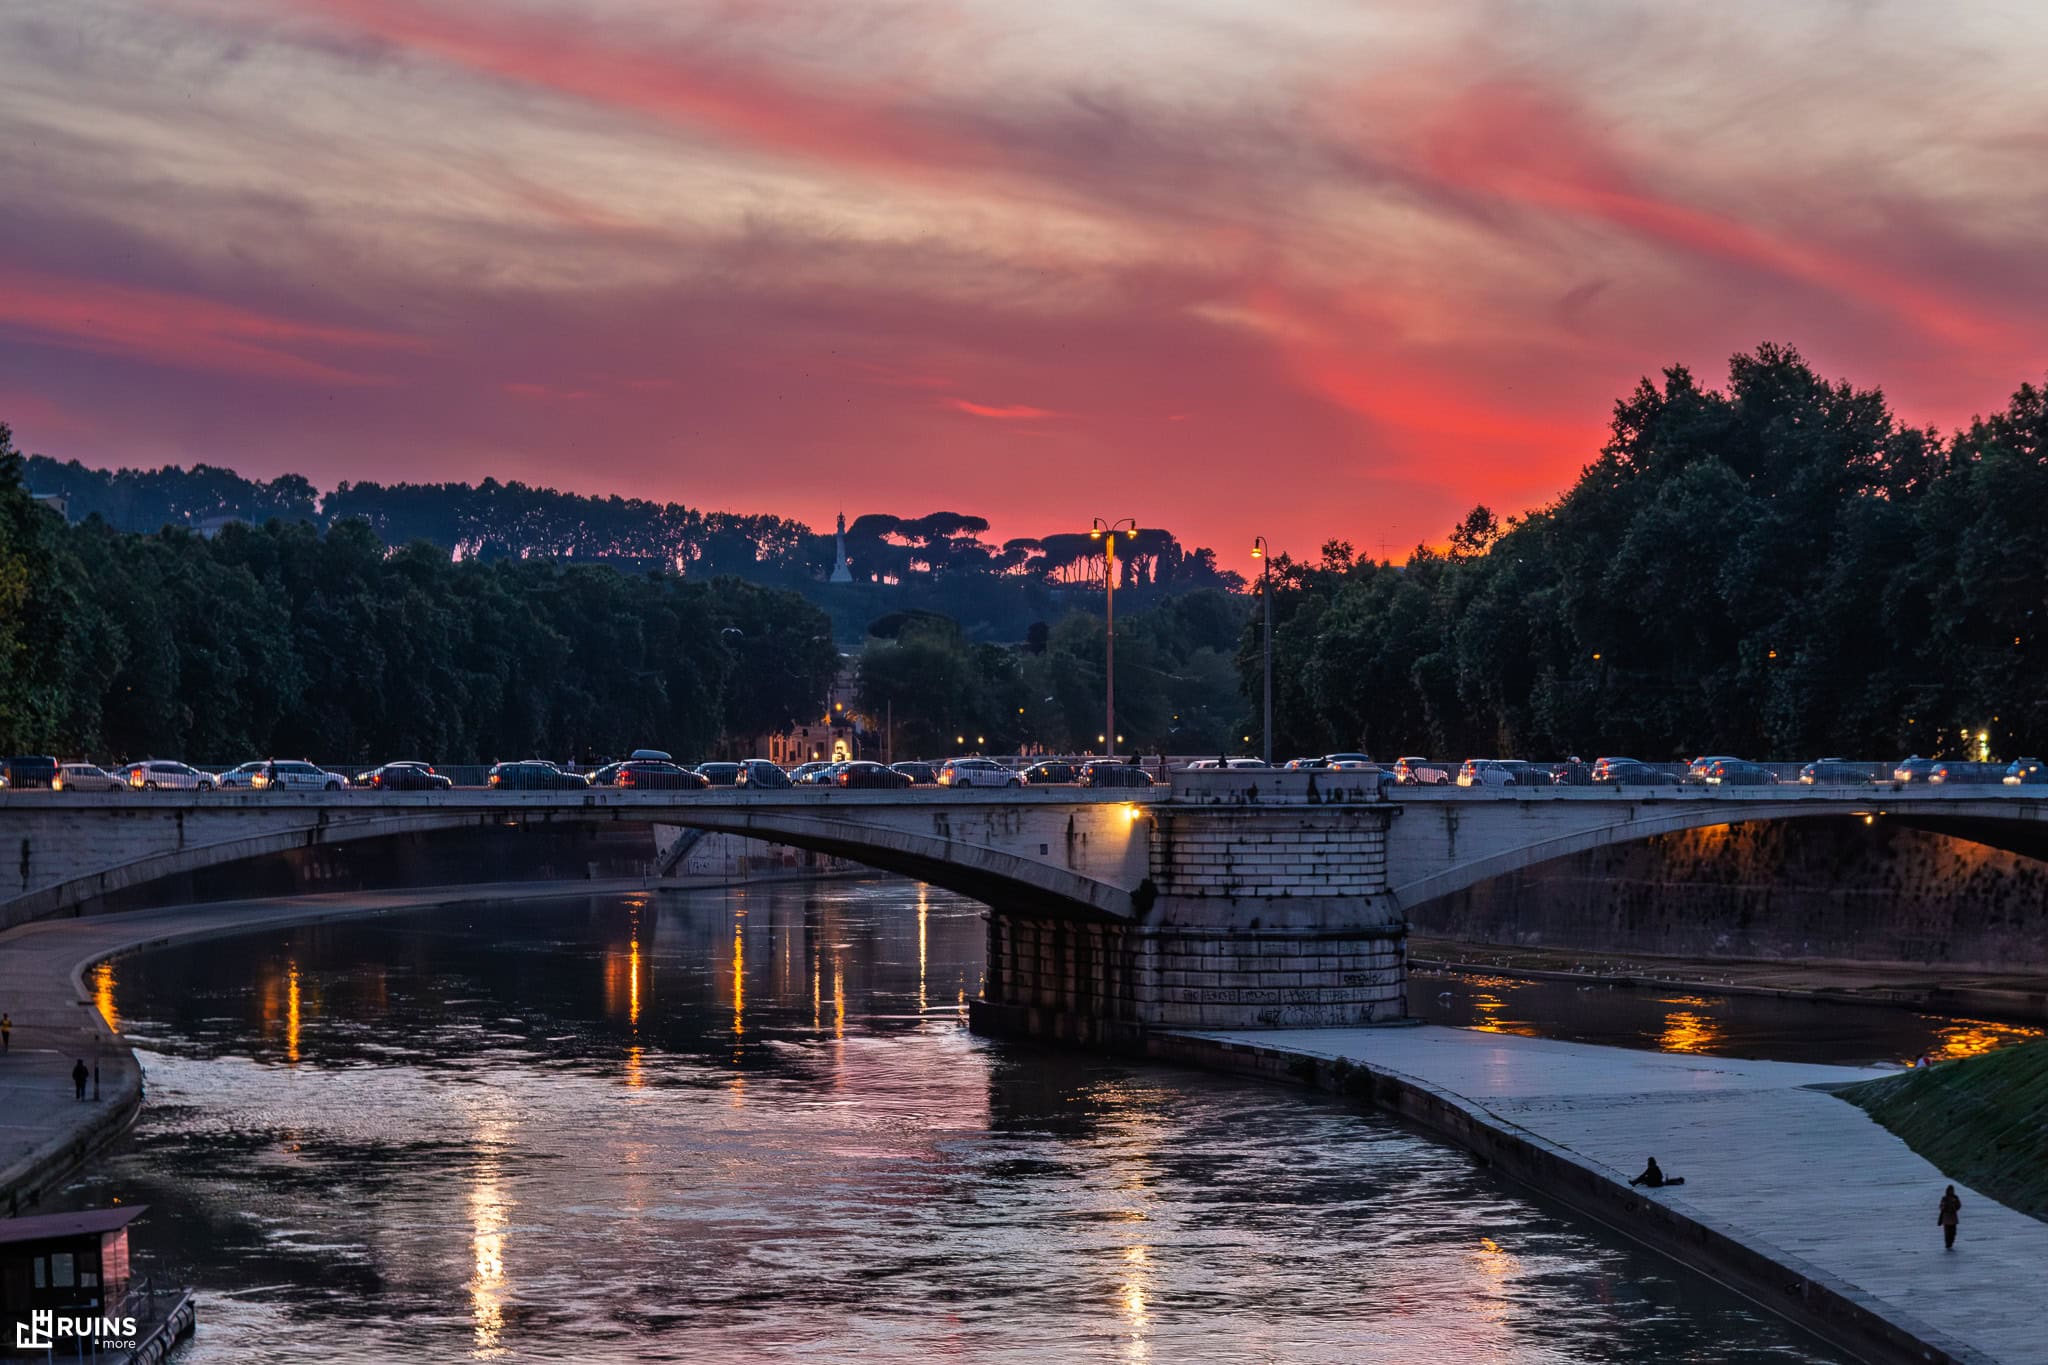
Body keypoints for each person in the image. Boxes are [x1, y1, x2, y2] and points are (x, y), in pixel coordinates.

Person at [1938, 1186, 1961, 1250]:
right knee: (1947, 1232)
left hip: (1953, 1217)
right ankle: (1948, 1243)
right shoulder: (1944, 1198)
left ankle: (1951, 1242)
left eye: (1952, 1190)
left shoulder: (1955, 1198)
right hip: (1946, 1218)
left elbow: (1958, 1206)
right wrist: (1944, 1206)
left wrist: (1954, 1204)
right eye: (1950, 1190)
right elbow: (1941, 1206)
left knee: (1953, 1232)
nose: (1951, 1192)